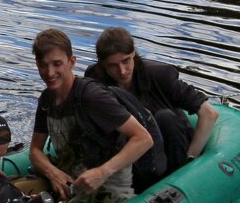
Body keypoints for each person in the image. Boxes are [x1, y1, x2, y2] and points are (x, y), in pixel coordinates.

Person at [28, 28, 154, 203]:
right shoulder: (47, 99)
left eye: (57, 64)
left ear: (72, 62)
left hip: (109, 190)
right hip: (69, 184)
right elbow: (35, 150)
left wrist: (102, 172)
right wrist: (54, 173)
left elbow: (143, 138)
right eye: (43, 65)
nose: (49, 73)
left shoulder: (93, 97)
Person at [85, 26, 218, 186]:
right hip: (133, 151)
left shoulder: (160, 75)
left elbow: (209, 113)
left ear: (133, 53)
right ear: (102, 64)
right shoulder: (95, 80)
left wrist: (191, 159)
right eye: (113, 65)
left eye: (126, 61)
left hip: (171, 144)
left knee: (165, 117)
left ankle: (175, 179)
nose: (122, 71)